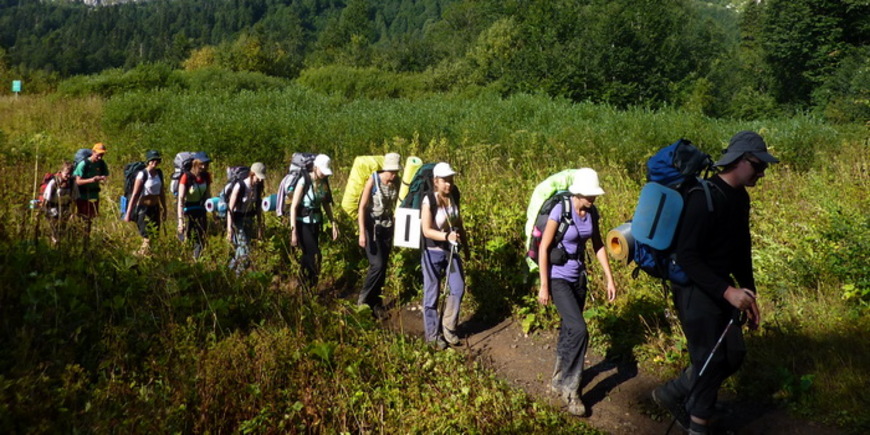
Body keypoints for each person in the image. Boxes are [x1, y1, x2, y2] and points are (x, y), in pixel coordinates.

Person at [652, 131, 776, 434]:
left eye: (765, 168)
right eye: (759, 165)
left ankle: (672, 393)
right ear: (739, 160)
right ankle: (698, 426)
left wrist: (750, 292)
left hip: (722, 289)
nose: (762, 173)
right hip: (695, 290)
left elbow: (740, 248)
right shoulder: (702, 197)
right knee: (711, 361)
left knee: (733, 355)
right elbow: (688, 257)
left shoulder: (740, 198)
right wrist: (728, 291)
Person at [537, 168, 617, 416]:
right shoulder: (560, 209)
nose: (593, 198)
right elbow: (544, 247)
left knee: (569, 329)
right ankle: (572, 390)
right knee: (580, 329)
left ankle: (559, 378)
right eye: (589, 194)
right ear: (578, 192)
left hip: (578, 278)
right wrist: (544, 284)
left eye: (594, 194)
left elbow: (598, 245)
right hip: (558, 277)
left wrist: (609, 278)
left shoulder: (592, 212)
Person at [420, 162, 470, 350]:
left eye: (450, 180)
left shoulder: (454, 196)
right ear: (436, 181)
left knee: (458, 288)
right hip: (432, 252)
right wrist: (445, 236)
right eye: (444, 181)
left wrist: (465, 245)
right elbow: (426, 230)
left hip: (451, 251)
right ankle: (432, 336)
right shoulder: (429, 201)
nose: (448, 184)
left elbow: (459, 222)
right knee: (431, 295)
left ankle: (448, 329)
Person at [356, 152, 402, 319]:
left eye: (396, 171)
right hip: (371, 228)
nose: (394, 175)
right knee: (377, 265)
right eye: (391, 171)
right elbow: (362, 207)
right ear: (386, 169)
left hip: (387, 228)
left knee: (383, 268)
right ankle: (363, 301)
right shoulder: (373, 180)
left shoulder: (396, 182)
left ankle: (376, 304)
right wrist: (362, 232)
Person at [290, 154, 339, 289]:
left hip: (316, 223)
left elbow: (326, 204)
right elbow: (293, 207)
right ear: (316, 168)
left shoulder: (323, 183)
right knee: (315, 255)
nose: (324, 174)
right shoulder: (303, 181)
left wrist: (333, 222)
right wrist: (293, 232)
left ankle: (305, 287)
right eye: (322, 171)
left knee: (308, 256)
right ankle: (308, 286)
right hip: (302, 223)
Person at [124, 150, 166, 256]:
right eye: (152, 160)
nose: (154, 162)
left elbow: (161, 192)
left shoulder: (159, 173)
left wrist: (165, 208)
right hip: (143, 209)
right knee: (147, 237)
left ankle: (148, 258)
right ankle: (138, 256)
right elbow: (135, 194)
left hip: (155, 208)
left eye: (157, 160)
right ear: (148, 161)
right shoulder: (142, 174)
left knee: (155, 236)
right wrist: (128, 213)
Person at [227, 162, 266, 275]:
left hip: (249, 219)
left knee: (241, 248)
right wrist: (229, 228)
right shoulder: (240, 186)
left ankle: (229, 270)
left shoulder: (258, 188)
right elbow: (230, 209)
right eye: (258, 177)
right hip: (237, 220)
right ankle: (238, 275)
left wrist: (260, 226)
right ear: (252, 174)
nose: (260, 180)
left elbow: (258, 208)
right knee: (246, 249)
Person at [177, 153, 212, 259]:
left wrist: (213, 213)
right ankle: (182, 261)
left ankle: (196, 260)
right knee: (185, 238)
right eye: (202, 163)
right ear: (195, 163)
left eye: (206, 164)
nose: (204, 166)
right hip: (187, 210)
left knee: (200, 238)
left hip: (200, 210)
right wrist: (180, 220)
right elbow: (180, 199)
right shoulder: (186, 177)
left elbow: (208, 195)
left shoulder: (206, 176)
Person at [73, 143, 109, 238]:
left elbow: (106, 174)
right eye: (98, 154)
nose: (100, 157)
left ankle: (86, 238)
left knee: (90, 219)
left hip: (94, 195)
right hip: (82, 196)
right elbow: (78, 181)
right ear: (93, 152)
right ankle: (79, 236)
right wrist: (92, 180)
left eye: (102, 155)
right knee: (83, 218)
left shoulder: (101, 163)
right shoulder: (83, 164)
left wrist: (103, 178)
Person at [42, 161, 79, 245]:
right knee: (54, 229)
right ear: (61, 171)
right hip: (52, 208)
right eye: (66, 174)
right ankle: (53, 244)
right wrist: (43, 209)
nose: (68, 176)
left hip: (65, 209)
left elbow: (74, 200)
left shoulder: (72, 183)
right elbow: (45, 197)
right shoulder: (54, 182)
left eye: (70, 174)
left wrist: (72, 213)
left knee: (62, 229)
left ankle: (58, 246)